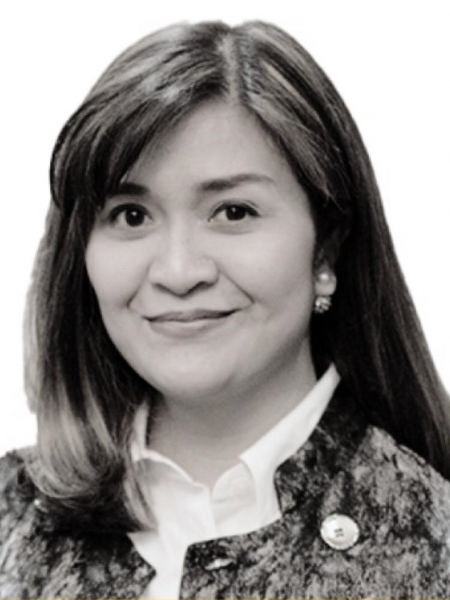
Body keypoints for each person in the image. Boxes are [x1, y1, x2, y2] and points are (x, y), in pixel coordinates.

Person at [1, 19, 449, 599]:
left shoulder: (434, 546)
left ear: (326, 249)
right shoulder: (12, 521)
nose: (178, 272)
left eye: (233, 212)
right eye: (132, 215)